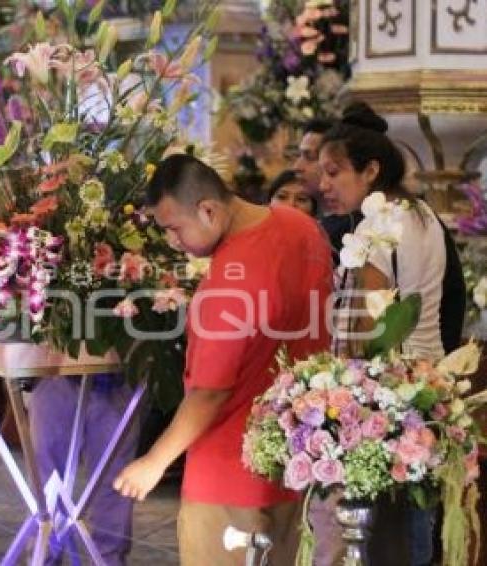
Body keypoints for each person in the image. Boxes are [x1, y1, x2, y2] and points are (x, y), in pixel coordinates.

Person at [113, 154, 333, 566]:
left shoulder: (230, 282)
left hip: (229, 476)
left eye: (174, 228)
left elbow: (210, 394)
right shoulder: (302, 227)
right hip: (296, 463)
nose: (174, 242)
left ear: (209, 210)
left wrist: (153, 462)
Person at [315, 102, 465, 566]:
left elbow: (371, 329)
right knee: (419, 533)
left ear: (371, 170)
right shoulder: (422, 213)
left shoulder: (377, 226)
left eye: (334, 173)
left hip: (389, 396)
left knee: (383, 540)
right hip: (430, 388)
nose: (323, 185)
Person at [29, 372, 141, 565]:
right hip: (56, 373)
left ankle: (106, 561)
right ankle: (44, 558)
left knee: (114, 486)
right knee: (47, 490)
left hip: (116, 378)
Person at [292, 118, 362, 264]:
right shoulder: (307, 216)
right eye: (299, 156)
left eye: (309, 157)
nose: (297, 167)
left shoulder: (354, 226)